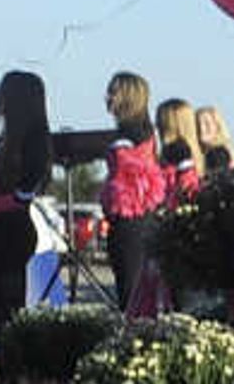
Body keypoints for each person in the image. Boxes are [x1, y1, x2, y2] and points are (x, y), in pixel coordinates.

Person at [53, 70, 165, 313]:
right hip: (142, 219)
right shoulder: (145, 131)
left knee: (130, 287)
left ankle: (132, 337)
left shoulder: (129, 136)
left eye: (113, 92)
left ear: (127, 97)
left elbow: (127, 180)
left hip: (129, 221)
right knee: (137, 287)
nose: (107, 97)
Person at [0, 70, 54, 349]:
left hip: (14, 230)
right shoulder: (6, 140)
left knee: (9, 303)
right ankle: (4, 355)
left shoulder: (35, 141)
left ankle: (15, 360)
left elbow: (24, 193)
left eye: (2, 91)